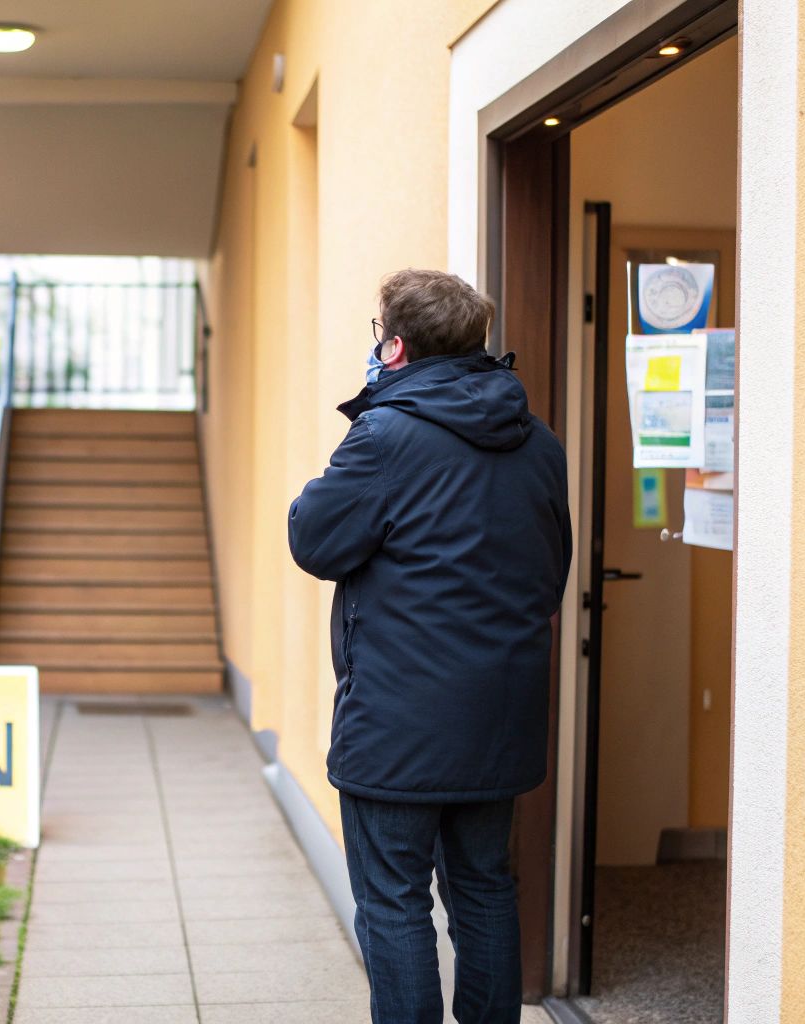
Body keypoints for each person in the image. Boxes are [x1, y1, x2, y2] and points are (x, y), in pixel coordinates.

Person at [288, 269, 571, 1024]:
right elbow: (552, 572)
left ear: (396, 345)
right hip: (500, 716)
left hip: (397, 721)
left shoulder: (384, 435)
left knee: (394, 902)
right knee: (485, 890)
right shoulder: (540, 444)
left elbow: (314, 540)